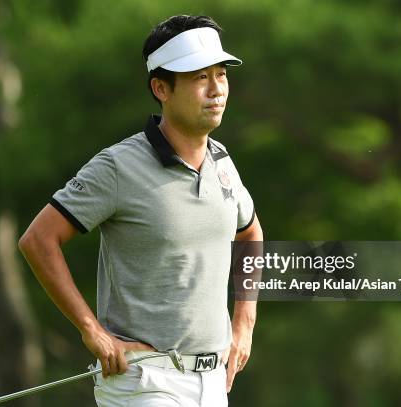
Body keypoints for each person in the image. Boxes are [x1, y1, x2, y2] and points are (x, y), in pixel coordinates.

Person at [18, 14, 263, 406]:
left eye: (221, 74)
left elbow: (250, 233)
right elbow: (38, 239)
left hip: (214, 383)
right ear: (161, 88)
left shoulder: (223, 163)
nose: (216, 89)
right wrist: (91, 330)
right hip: (144, 381)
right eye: (200, 78)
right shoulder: (118, 166)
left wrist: (244, 324)